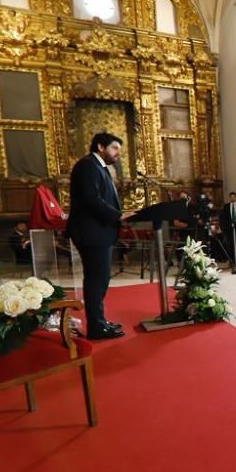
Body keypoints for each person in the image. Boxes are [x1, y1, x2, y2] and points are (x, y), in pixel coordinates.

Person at [67, 132, 131, 340]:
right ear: (101, 147)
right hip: (92, 232)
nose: (118, 154)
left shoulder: (98, 168)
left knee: (100, 280)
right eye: (115, 148)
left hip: (98, 232)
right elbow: (91, 200)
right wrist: (118, 216)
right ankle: (96, 327)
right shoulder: (87, 166)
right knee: (96, 280)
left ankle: (99, 322)